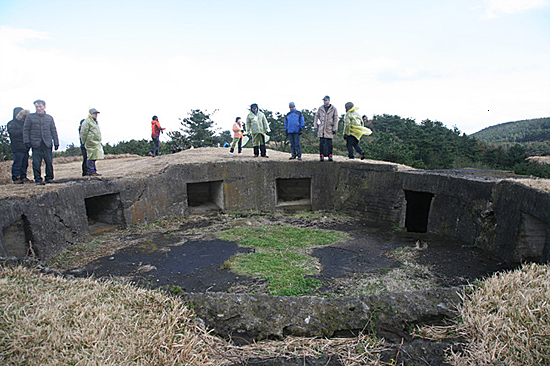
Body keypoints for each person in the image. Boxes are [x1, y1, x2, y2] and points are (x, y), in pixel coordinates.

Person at [23, 99, 59, 185]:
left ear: (44, 107)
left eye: (40, 106)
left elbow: (53, 130)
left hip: (47, 143)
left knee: (49, 161)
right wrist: (27, 141)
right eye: (37, 107)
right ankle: (38, 179)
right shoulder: (30, 117)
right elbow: (26, 129)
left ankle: (49, 178)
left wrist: (56, 141)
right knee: (36, 162)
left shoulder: (49, 118)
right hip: (35, 143)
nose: (38, 108)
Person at [7, 107, 31, 184]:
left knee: (25, 163)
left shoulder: (24, 123)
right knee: (17, 163)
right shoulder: (11, 123)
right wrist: (24, 130)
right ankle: (16, 178)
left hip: (25, 147)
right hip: (17, 147)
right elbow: (13, 133)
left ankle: (23, 177)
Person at [80, 108, 104, 176]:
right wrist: (84, 142)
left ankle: (93, 171)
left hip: (95, 142)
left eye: (96, 114)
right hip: (90, 142)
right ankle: (91, 171)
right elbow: (83, 132)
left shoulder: (94, 121)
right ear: (90, 114)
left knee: (94, 157)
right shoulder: (87, 122)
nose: (96, 115)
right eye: (94, 113)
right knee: (90, 157)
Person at [314, 95, 338, 162]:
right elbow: (316, 116)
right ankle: (321, 155)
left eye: (326, 100)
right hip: (322, 128)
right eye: (324, 100)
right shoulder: (320, 108)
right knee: (322, 142)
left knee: (329, 143)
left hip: (329, 127)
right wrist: (315, 125)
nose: (324, 102)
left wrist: (335, 128)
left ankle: (330, 155)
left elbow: (336, 119)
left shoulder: (333, 108)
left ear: (329, 100)